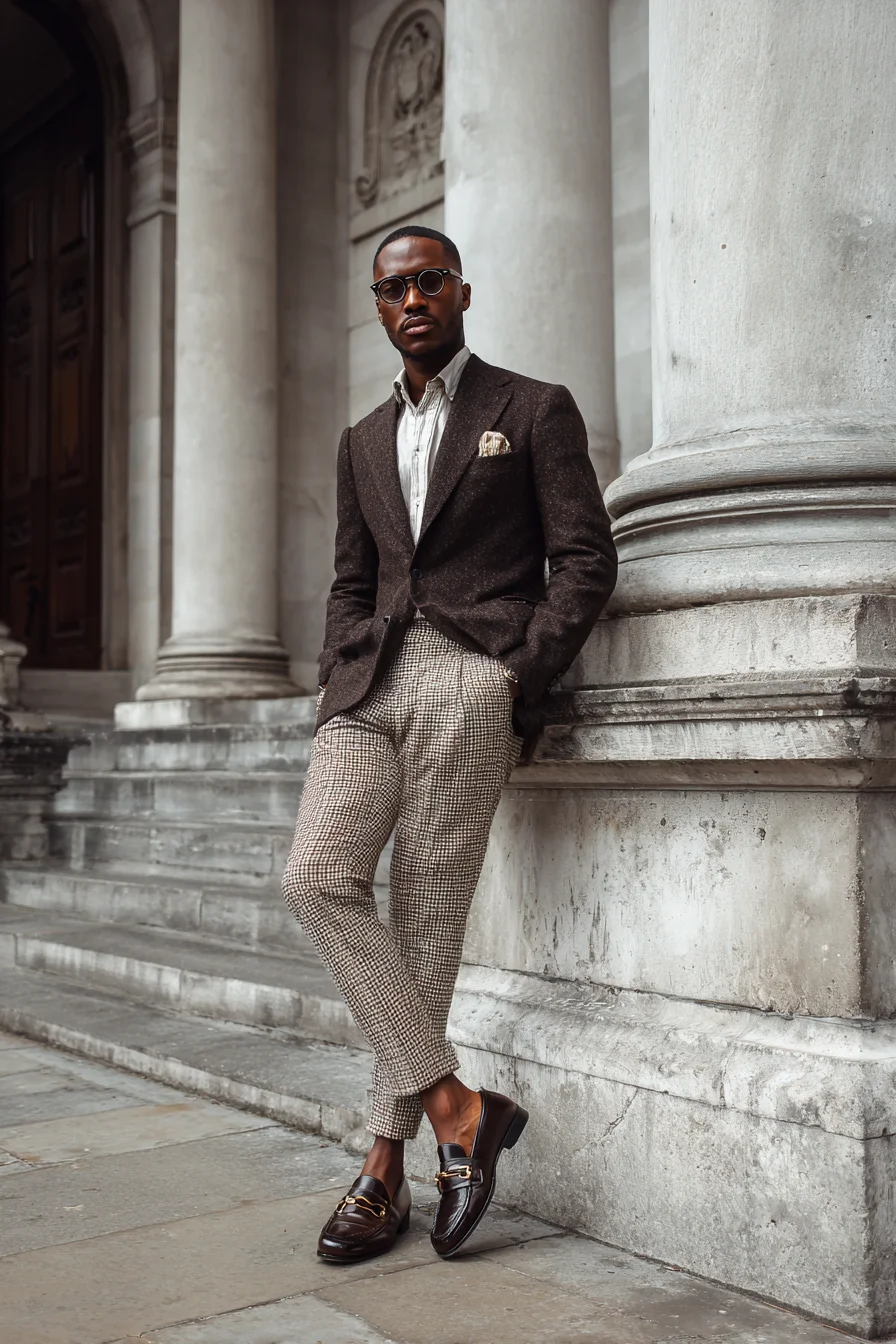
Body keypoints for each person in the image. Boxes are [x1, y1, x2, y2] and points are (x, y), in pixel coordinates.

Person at [281, 224, 617, 1263]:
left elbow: (583, 557)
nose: (412, 297)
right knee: (316, 878)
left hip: (473, 681)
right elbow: (351, 576)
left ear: (461, 291)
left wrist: (516, 672)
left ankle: (380, 1170)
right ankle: (458, 1110)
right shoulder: (357, 440)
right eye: (392, 287)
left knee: (426, 930)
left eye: (429, 280)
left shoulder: (530, 408)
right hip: (369, 686)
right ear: (377, 308)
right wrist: (339, 665)